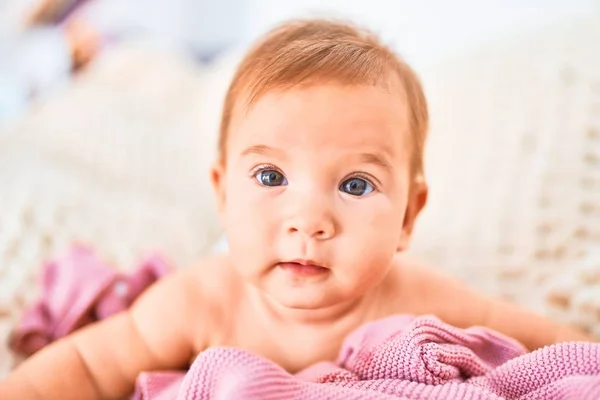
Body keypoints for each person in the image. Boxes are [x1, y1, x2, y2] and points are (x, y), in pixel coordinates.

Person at [0, 19, 591, 400]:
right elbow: (86, 364)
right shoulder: (202, 299)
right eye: (271, 176)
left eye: (355, 186)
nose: (308, 221)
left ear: (408, 218)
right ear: (223, 192)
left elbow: (549, 345)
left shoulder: (417, 298)